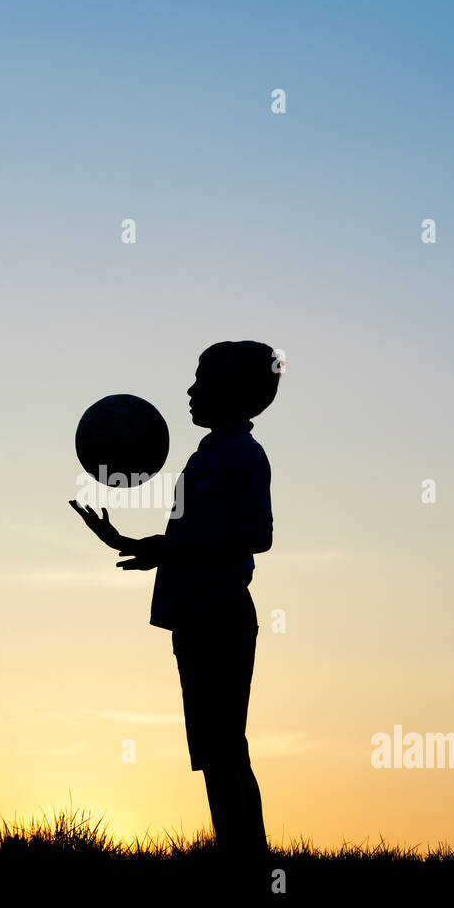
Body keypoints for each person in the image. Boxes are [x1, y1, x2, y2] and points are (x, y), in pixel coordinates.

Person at [70, 340, 281, 871]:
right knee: (212, 749)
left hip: (222, 615)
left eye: (202, 381)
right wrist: (140, 546)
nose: (190, 391)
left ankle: (249, 861)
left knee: (225, 746)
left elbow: (256, 535)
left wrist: (168, 549)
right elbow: (200, 539)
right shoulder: (205, 455)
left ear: (233, 393)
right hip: (195, 614)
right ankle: (240, 858)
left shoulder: (242, 454)